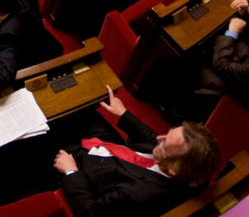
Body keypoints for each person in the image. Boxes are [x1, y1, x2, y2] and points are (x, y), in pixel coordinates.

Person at [53, 86, 220, 215]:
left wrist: (71, 173)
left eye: (164, 144)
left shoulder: (135, 195)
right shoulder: (195, 169)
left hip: (84, 167)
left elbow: (89, 212)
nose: (158, 138)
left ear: (173, 169)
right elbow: (154, 138)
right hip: (115, 151)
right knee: (81, 108)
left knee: (51, 129)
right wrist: (123, 113)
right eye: (168, 132)